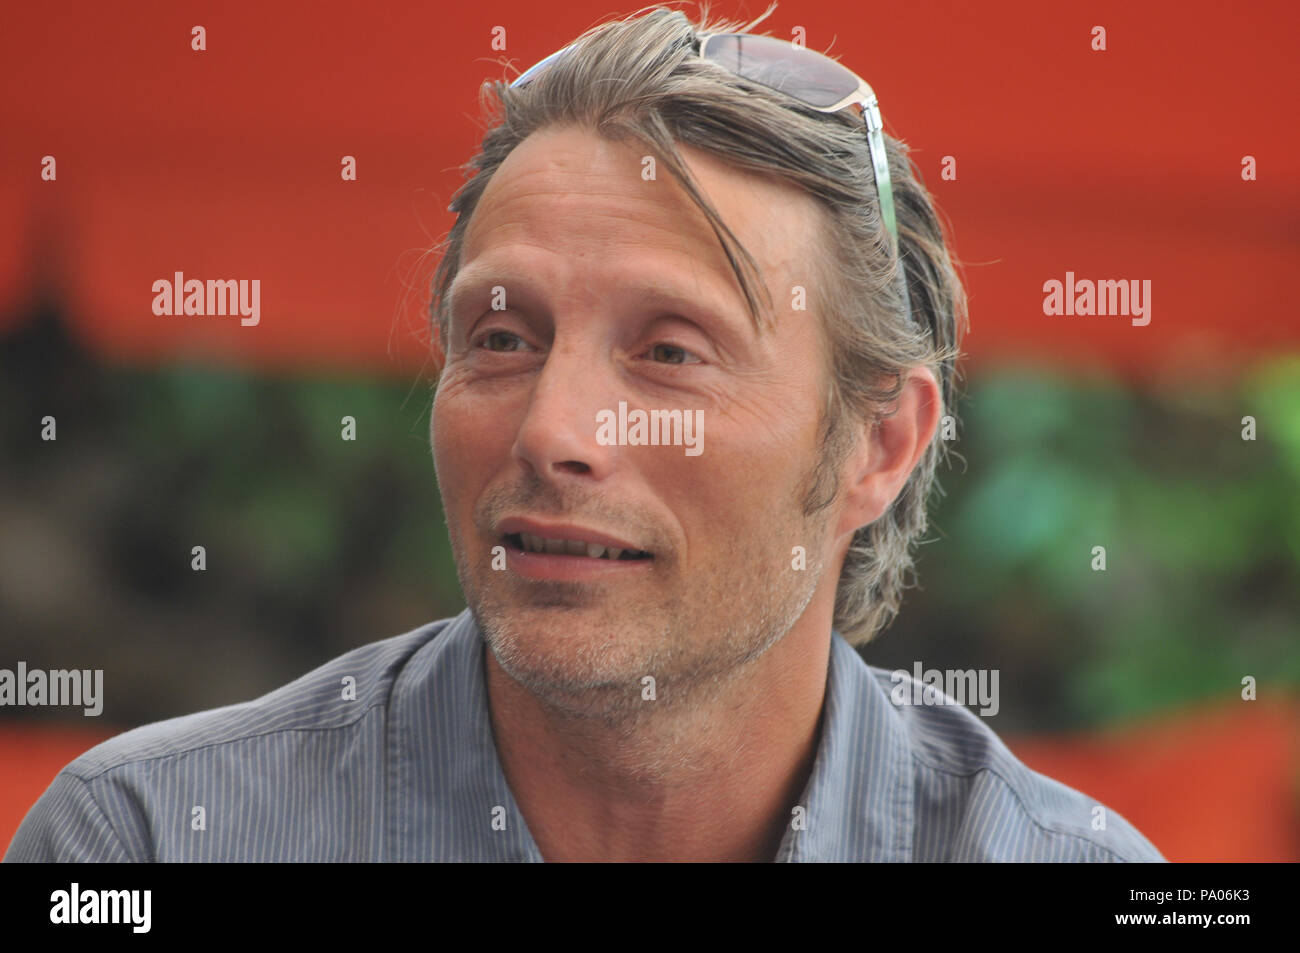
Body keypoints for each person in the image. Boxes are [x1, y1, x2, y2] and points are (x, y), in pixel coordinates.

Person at [5, 4, 1164, 863]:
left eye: (669, 351)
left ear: (877, 443)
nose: (555, 428)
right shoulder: (147, 845)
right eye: (503, 338)